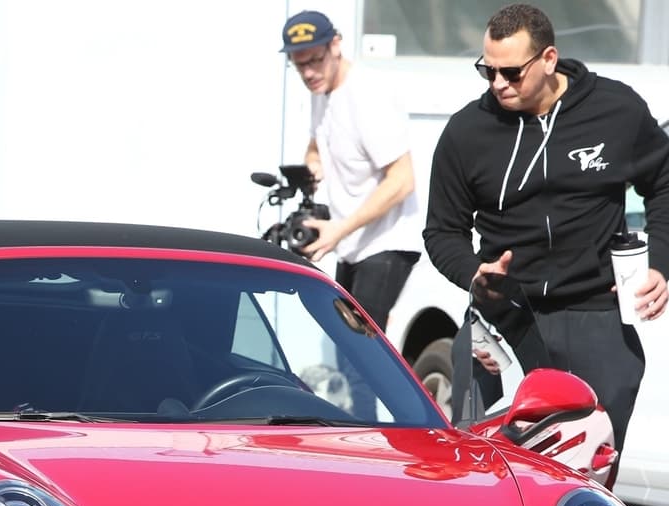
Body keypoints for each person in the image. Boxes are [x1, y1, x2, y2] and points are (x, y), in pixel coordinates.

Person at [424, 3, 669, 455]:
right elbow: (441, 232)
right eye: (488, 70)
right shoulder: (466, 132)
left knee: (585, 479)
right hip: (503, 319)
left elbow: (664, 183)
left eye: (512, 72)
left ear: (549, 59)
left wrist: (661, 263)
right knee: (485, 469)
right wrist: (474, 273)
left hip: (596, 315)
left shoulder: (616, 110)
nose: (498, 84)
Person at [279, 10, 423, 420]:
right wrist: (312, 171)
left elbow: (403, 180)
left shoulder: (366, 96)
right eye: (299, 64)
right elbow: (316, 143)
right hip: (354, 243)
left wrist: (340, 227)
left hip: (387, 241)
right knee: (351, 353)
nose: (308, 72)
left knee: (361, 359)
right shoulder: (322, 94)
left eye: (314, 60)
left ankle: (379, 449)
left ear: (336, 45)